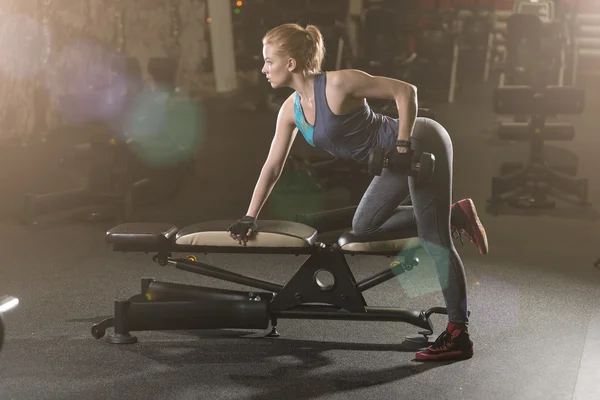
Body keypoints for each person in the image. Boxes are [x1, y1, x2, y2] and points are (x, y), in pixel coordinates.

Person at [227, 23, 489, 362]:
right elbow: (272, 167)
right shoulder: (289, 111)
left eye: (268, 61)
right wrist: (250, 216)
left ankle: (458, 334)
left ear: (290, 63)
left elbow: (405, 91)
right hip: (392, 162)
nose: (263, 69)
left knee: (433, 238)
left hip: (422, 142)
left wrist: (404, 144)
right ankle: (454, 214)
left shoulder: (337, 83)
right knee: (364, 226)